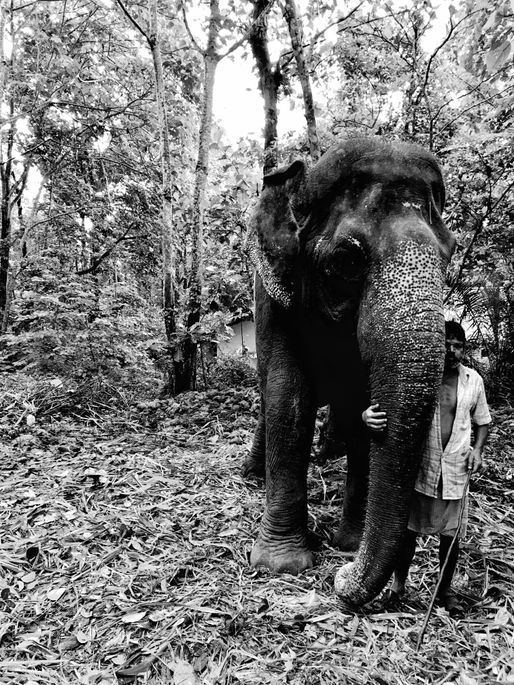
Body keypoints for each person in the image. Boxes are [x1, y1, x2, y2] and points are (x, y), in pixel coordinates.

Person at [362, 320, 491, 616]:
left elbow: (483, 422)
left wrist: (479, 451)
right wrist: (366, 415)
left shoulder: (474, 381)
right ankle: (397, 587)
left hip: (456, 469)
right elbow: (379, 407)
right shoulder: (418, 375)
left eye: (458, 346)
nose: (451, 351)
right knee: (408, 534)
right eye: (446, 344)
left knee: (450, 537)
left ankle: (444, 591)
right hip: (422, 468)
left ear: (464, 350)